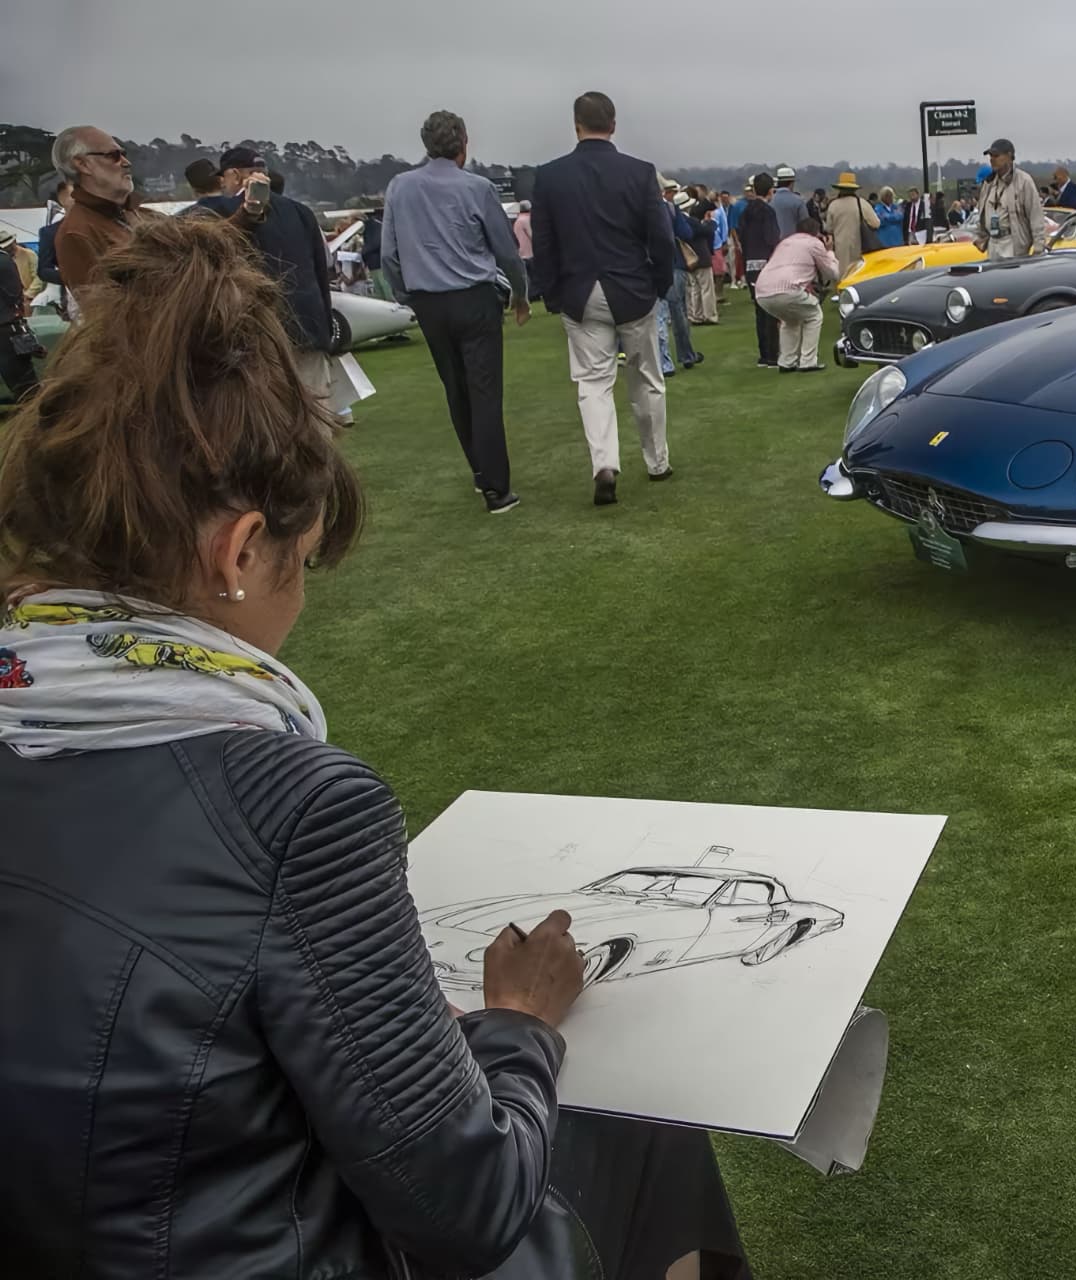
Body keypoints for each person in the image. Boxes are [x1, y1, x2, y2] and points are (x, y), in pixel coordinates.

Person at [0, 215, 754, 1279]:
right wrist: (522, 1023)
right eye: (301, 562)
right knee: (630, 1114)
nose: (297, 599)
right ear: (240, 549)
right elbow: (468, 1202)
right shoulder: (292, 805)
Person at [530, 91, 675, 507]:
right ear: (613, 124)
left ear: (576, 125)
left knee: (593, 383)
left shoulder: (550, 176)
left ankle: (604, 464)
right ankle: (657, 461)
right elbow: (661, 238)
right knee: (646, 379)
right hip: (632, 289)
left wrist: (553, 293)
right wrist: (659, 284)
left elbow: (543, 244)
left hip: (579, 292)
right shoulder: (639, 172)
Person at [382, 109, 531, 515]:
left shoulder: (399, 187)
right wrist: (520, 292)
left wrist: (405, 293)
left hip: (429, 301)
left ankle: (482, 473)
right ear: (464, 141)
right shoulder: (477, 188)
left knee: (456, 389)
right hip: (474, 297)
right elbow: (505, 250)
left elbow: (389, 254)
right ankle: (496, 489)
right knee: (484, 392)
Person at [198, 155, 335, 400]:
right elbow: (321, 272)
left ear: (235, 175)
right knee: (317, 415)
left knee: (273, 419)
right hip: (309, 326)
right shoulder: (301, 211)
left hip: (259, 334)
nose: (222, 185)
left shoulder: (218, 211)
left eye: (223, 178)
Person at [50, 126, 153, 309]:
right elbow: (106, 317)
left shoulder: (148, 216)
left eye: (123, 153)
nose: (126, 162)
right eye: (113, 155)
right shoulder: (76, 233)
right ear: (82, 164)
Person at [754, 216, 837, 372]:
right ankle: (808, 361)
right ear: (816, 232)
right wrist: (830, 252)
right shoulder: (814, 243)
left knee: (790, 320)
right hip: (787, 289)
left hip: (762, 291)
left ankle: (786, 361)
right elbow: (833, 273)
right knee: (814, 315)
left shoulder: (784, 242)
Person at [736, 172, 783, 369]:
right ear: (771, 190)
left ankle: (764, 353)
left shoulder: (746, 212)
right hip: (766, 263)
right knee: (770, 309)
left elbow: (742, 237)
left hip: (750, 263)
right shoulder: (768, 212)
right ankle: (772, 354)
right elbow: (772, 238)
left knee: (759, 309)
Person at [973, 139, 1047, 261]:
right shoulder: (989, 182)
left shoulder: (1024, 181)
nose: (992, 159)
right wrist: (980, 236)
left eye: (996, 155)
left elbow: (1036, 216)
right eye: (990, 156)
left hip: (1012, 242)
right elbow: (981, 211)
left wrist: (1038, 249)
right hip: (993, 242)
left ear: (1009, 156)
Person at [659, 182, 701, 369]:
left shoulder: (640, 208)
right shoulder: (670, 209)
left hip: (651, 265)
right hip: (674, 263)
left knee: (657, 316)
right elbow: (686, 233)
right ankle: (686, 355)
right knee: (678, 313)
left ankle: (663, 361)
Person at [0, 231, 41, 400]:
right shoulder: (5, 260)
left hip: (7, 325)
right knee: (25, 384)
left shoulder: (5, 260)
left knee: (21, 383)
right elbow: (14, 293)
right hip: (9, 326)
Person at [824, 171, 880, 278]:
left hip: (840, 249)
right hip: (860, 247)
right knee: (858, 275)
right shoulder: (862, 203)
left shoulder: (833, 205)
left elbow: (829, 228)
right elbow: (876, 223)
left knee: (842, 276)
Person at [684, 191, 719, 325]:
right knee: (706, 289)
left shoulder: (683, 220)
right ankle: (709, 315)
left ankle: (696, 315)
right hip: (701, 257)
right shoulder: (691, 222)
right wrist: (710, 222)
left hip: (689, 258)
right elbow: (708, 231)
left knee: (695, 289)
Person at [361, 201, 392, 300]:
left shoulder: (374, 225)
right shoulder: (371, 226)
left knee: (386, 292)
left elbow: (376, 243)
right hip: (374, 266)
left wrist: (363, 251)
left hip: (379, 265)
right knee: (380, 293)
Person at [770, 164, 807, 237]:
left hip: (774, 243)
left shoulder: (770, 200)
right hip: (793, 242)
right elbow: (805, 224)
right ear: (791, 183)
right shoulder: (798, 201)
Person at [513, 200, 537, 299]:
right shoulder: (527, 220)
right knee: (535, 276)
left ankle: (530, 295)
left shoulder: (517, 220)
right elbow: (532, 235)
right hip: (530, 252)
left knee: (527, 277)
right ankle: (535, 294)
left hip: (521, 253)